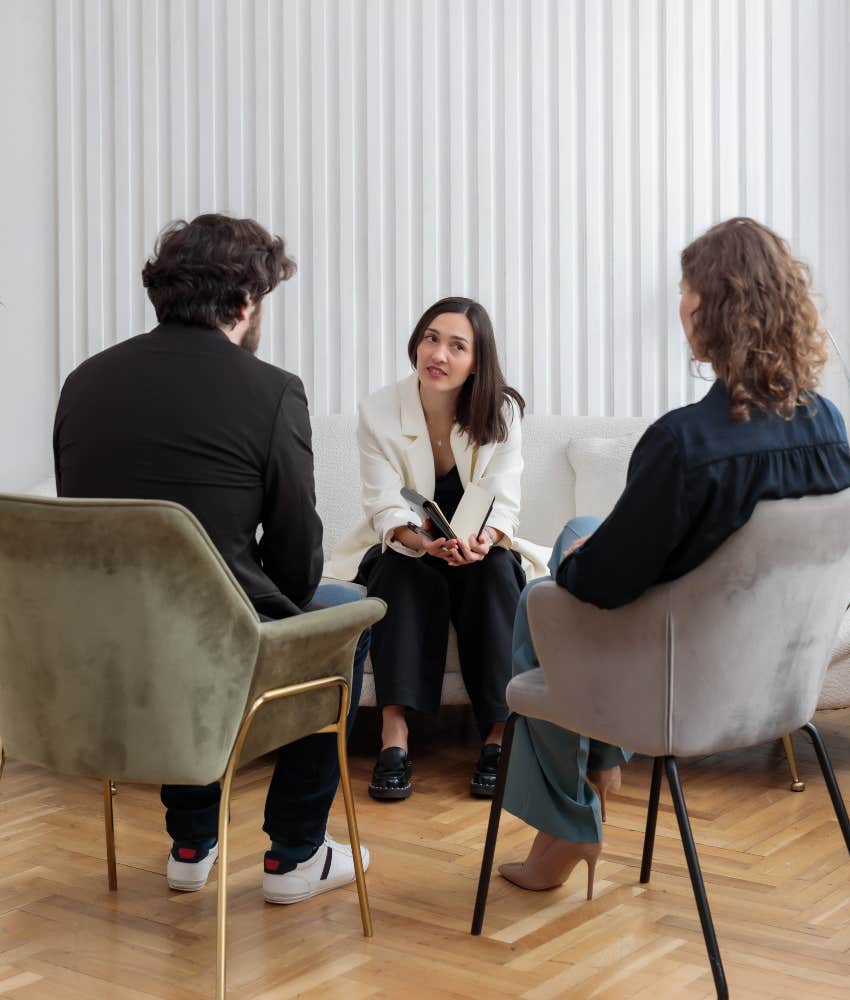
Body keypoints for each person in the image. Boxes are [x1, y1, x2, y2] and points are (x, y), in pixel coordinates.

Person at [499, 217, 850, 894]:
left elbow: (601, 586)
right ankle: (597, 768)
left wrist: (574, 560)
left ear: (704, 309)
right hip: (777, 683)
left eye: (687, 290)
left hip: (674, 688)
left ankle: (572, 815)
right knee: (582, 526)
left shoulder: (686, 443)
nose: (681, 303)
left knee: (543, 589)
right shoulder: (830, 428)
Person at [53, 213, 371, 905]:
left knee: (177, 614)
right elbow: (297, 565)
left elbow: (86, 528)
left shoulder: (83, 382)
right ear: (247, 300)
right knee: (346, 611)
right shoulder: (271, 390)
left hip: (105, 651)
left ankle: (192, 841)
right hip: (219, 653)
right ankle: (296, 852)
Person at [325, 297, 549, 801]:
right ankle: (394, 734)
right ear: (416, 343)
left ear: (477, 360)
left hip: (475, 544)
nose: (439, 354)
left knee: (495, 572)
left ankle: (497, 733)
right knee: (400, 573)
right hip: (408, 541)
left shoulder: (502, 411)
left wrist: (485, 540)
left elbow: (504, 501)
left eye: (457, 346)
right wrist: (420, 542)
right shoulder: (379, 411)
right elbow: (384, 504)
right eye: (431, 338)